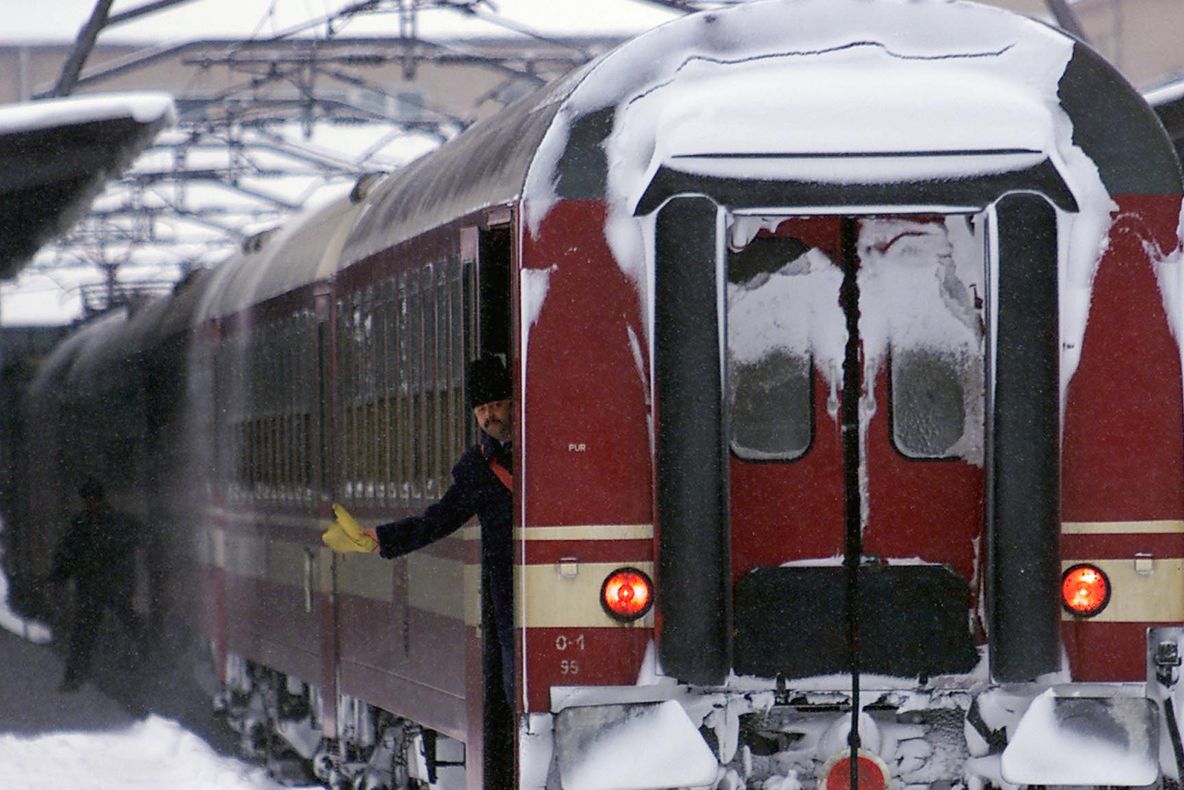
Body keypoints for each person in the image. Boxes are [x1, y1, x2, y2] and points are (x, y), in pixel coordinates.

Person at [324, 354, 516, 784]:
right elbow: (438, 519)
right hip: (509, 602)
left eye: (497, 405)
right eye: (481, 410)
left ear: (515, 403)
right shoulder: (477, 471)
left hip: (547, 593)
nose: (489, 417)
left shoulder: (548, 453)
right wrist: (378, 538)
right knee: (512, 688)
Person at [48, 477, 145, 692]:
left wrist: (58, 577)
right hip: (100, 588)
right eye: (88, 500)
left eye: (92, 500)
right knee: (86, 633)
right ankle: (74, 678)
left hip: (106, 588)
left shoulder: (102, 524)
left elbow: (67, 553)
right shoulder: (98, 524)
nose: (91, 504)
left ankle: (76, 678)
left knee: (94, 632)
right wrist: (58, 577)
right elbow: (68, 554)